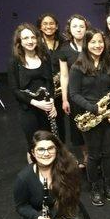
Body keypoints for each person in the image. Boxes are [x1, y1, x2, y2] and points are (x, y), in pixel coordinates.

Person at [14, 130, 93, 219]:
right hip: (44, 217)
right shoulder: (24, 178)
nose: (46, 153)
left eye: (50, 148)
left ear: (56, 150)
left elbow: (76, 194)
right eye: (41, 150)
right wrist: (36, 217)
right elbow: (21, 206)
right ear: (33, 153)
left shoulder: (68, 167)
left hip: (68, 210)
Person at [69, 29, 110, 206]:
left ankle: (108, 185)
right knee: (93, 155)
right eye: (93, 42)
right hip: (89, 116)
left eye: (100, 42)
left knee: (108, 153)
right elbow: (73, 94)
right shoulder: (78, 67)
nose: (97, 45)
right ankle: (95, 188)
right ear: (86, 44)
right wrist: (93, 108)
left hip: (107, 114)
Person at [8, 23, 56, 153]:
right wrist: (36, 103)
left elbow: (50, 83)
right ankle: (35, 172)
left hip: (46, 109)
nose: (30, 41)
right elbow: (15, 90)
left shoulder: (44, 58)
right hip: (28, 110)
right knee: (33, 147)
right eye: (26, 38)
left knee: (48, 144)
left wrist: (52, 102)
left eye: (33, 37)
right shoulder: (14, 62)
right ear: (19, 41)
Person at [59, 14, 89, 167]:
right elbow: (64, 76)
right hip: (75, 95)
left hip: (92, 94)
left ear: (86, 28)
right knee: (79, 128)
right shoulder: (64, 49)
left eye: (81, 26)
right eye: (75, 26)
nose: (78, 29)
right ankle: (86, 156)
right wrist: (64, 99)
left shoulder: (93, 44)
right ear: (69, 29)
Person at [36, 13, 65, 141]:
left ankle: (61, 148)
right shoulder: (36, 43)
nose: (49, 26)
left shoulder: (63, 42)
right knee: (44, 122)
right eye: (45, 24)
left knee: (60, 120)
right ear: (40, 27)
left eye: (52, 23)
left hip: (59, 89)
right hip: (42, 88)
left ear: (57, 26)